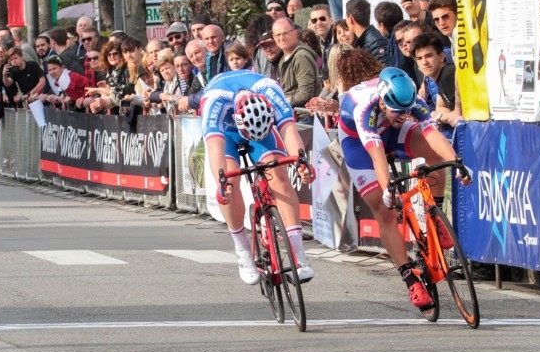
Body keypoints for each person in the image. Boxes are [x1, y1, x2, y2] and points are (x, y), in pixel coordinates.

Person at [338, 58, 469, 310]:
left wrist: (457, 162)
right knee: (384, 210)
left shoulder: (409, 102)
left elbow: (433, 135)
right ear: (383, 102)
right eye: (399, 110)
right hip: (359, 142)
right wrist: (388, 189)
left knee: (435, 155)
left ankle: (434, 217)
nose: (406, 114)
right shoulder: (365, 110)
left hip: (390, 130)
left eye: (408, 109)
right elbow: (376, 156)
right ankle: (411, 279)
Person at [197, 68, 315, 285]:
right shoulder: (215, 102)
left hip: (262, 128)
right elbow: (215, 147)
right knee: (230, 181)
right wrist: (222, 182)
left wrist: (301, 163)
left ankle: (299, 254)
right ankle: (241, 249)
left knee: (278, 175)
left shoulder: (271, 91)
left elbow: (289, 130)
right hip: (227, 132)